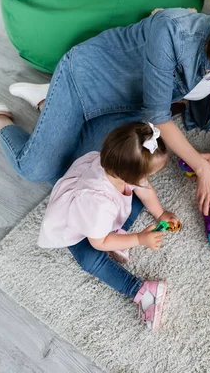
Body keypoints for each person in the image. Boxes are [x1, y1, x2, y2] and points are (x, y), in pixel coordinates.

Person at [0, 2, 210, 217]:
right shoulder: (174, 31)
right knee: (36, 169)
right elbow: (158, 117)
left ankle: (47, 101)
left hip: (129, 106)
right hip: (86, 79)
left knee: (74, 174)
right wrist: (200, 165)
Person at [38, 121, 180, 331]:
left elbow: (144, 189)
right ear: (127, 174)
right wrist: (139, 239)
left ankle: (118, 236)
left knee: (139, 198)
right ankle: (141, 290)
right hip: (74, 227)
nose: (147, 180)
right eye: (146, 175)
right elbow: (99, 242)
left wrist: (161, 214)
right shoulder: (97, 204)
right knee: (90, 260)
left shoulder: (115, 163)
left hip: (98, 214)